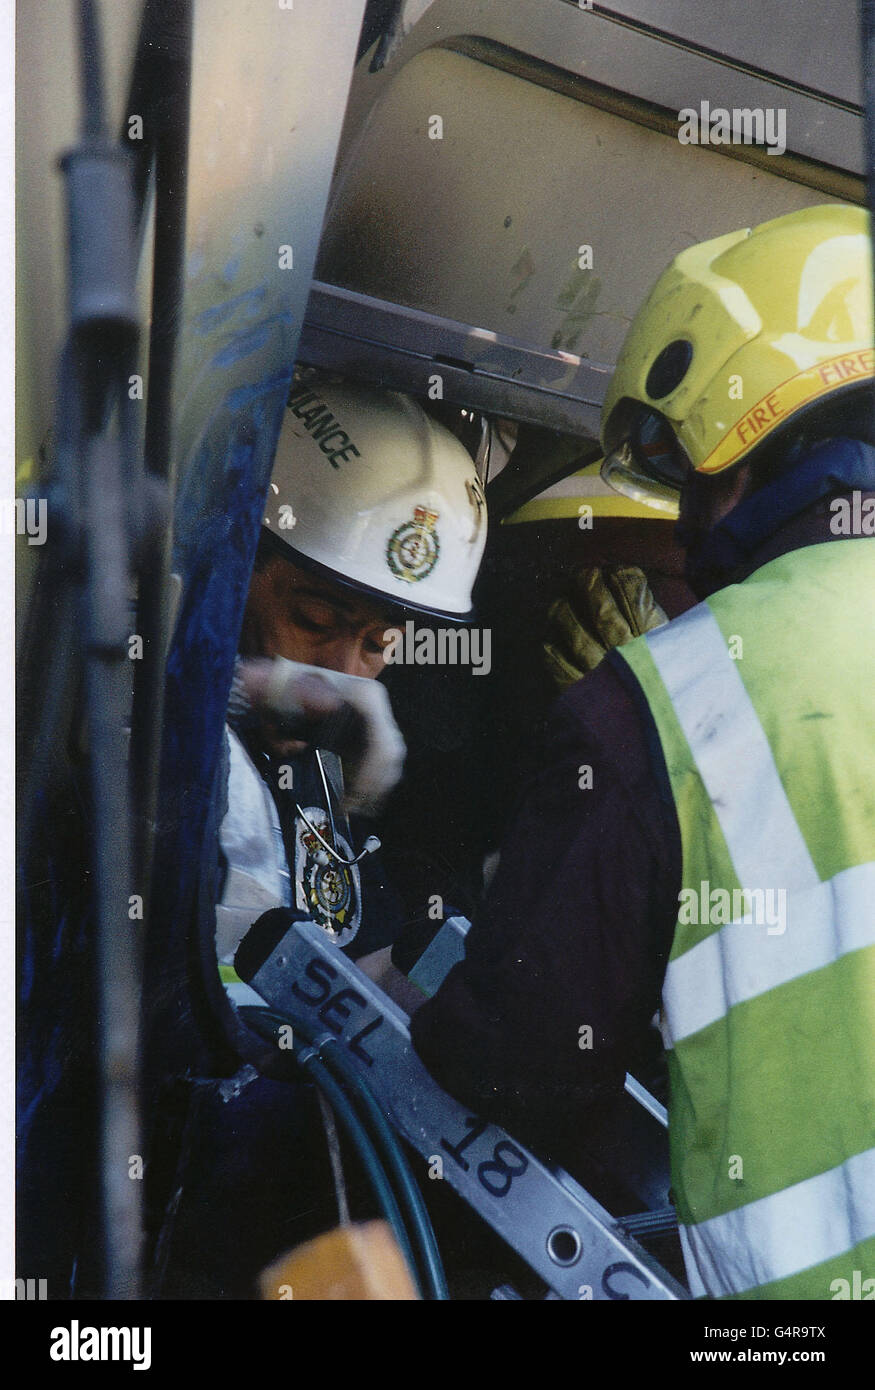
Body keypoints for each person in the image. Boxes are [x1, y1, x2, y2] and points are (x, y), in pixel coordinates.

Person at [409, 204, 875, 1300]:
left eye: (687, 485)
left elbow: (513, 1062)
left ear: (735, 452)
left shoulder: (665, 704)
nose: (680, 536)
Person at [153, 370, 487, 1296]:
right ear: (228, 555)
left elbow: (336, 948)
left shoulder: (312, 758)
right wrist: (260, 684)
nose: (348, 670)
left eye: (377, 643)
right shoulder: (164, 737)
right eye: (313, 620)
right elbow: (127, 688)